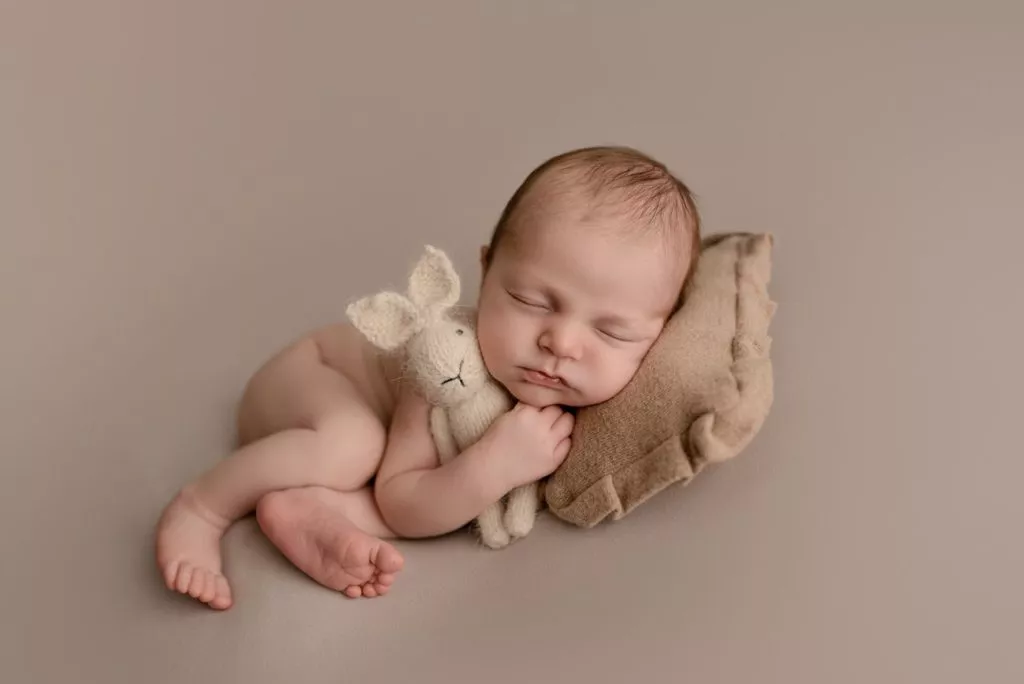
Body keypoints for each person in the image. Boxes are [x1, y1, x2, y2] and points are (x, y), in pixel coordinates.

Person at [155, 146, 702, 609]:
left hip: (343, 445)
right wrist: (494, 466)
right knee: (356, 446)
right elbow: (400, 502)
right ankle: (202, 506)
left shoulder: (603, 388)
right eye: (530, 301)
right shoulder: (448, 368)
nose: (560, 342)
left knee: (369, 464)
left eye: (612, 333)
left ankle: (301, 509)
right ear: (486, 271)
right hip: (309, 377)